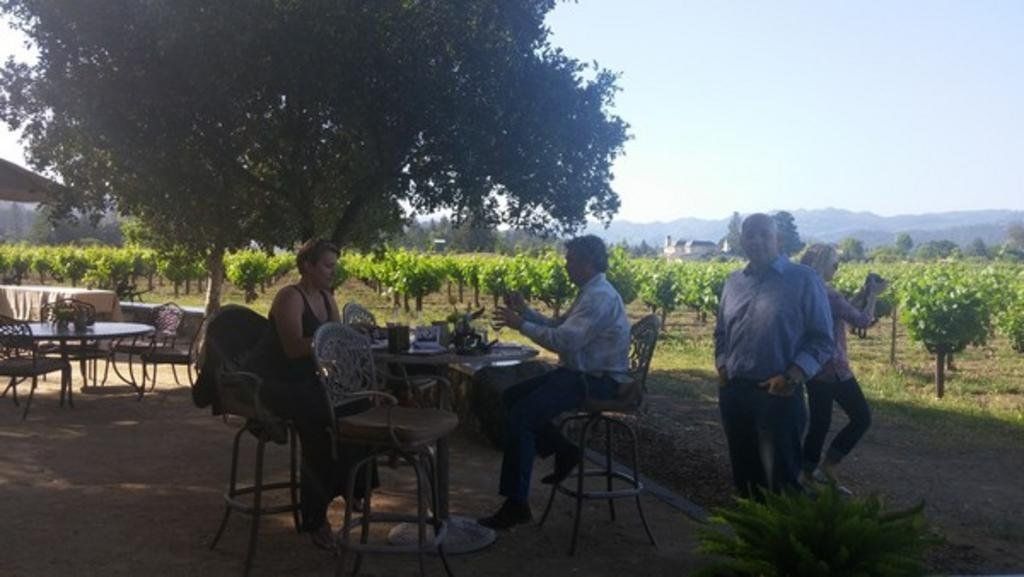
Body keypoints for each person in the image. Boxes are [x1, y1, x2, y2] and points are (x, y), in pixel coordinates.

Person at [478, 235, 631, 529]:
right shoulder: (592, 291)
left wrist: (520, 324)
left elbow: (564, 343)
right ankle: (564, 450)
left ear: (587, 262)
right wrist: (526, 311)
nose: (565, 265)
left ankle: (516, 504)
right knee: (510, 398)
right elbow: (561, 327)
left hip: (595, 381)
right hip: (579, 374)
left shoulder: (599, 297)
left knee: (521, 416)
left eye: (570, 259)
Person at [248, 239, 370, 550]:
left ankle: (354, 486)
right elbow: (291, 350)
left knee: (360, 403)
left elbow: (337, 343)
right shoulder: (290, 297)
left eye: (335, 266)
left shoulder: (328, 298)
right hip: (277, 382)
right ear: (307, 266)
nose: (333, 272)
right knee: (322, 418)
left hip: (309, 380)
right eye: (328, 266)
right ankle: (315, 517)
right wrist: (328, 342)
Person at [714, 214, 834, 497]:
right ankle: (747, 541)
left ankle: (783, 542)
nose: (756, 240)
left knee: (781, 483)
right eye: (749, 234)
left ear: (778, 240)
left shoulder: (804, 280)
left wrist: (793, 376)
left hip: (777, 395)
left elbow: (822, 340)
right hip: (734, 393)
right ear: (741, 240)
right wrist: (721, 364)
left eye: (763, 234)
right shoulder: (733, 283)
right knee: (744, 479)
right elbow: (720, 332)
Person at [799, 244, 885, 491]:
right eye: (834, 263)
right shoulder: (829, 294)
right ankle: (828, 467)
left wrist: (860, 295)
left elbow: (839, 316)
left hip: (812, 366)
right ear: (822, 265)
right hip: (835, 367)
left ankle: (806, 475)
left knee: (819, 422)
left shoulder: (805, 292)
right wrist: (874, 296)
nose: (837, 268)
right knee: (861, 418)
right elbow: (862, 320)